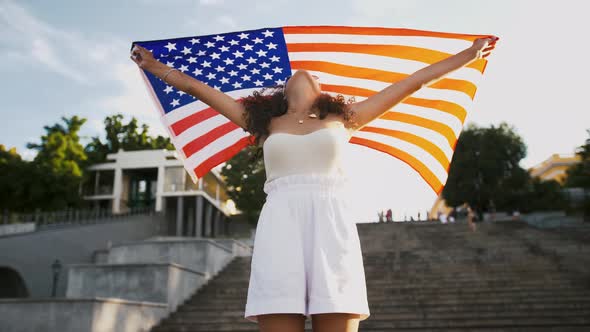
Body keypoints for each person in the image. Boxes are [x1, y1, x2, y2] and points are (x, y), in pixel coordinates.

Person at [130, 35, 497, 332]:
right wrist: (155, 66)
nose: (304, 72)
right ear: (279, 92)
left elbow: (413, 82)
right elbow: (199, 90)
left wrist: (468, 54)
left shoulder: (347, 119)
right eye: (294, 75)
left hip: (332, 226)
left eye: (314, 76)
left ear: (323, 92)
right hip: (280, 226)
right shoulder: (262, 123)